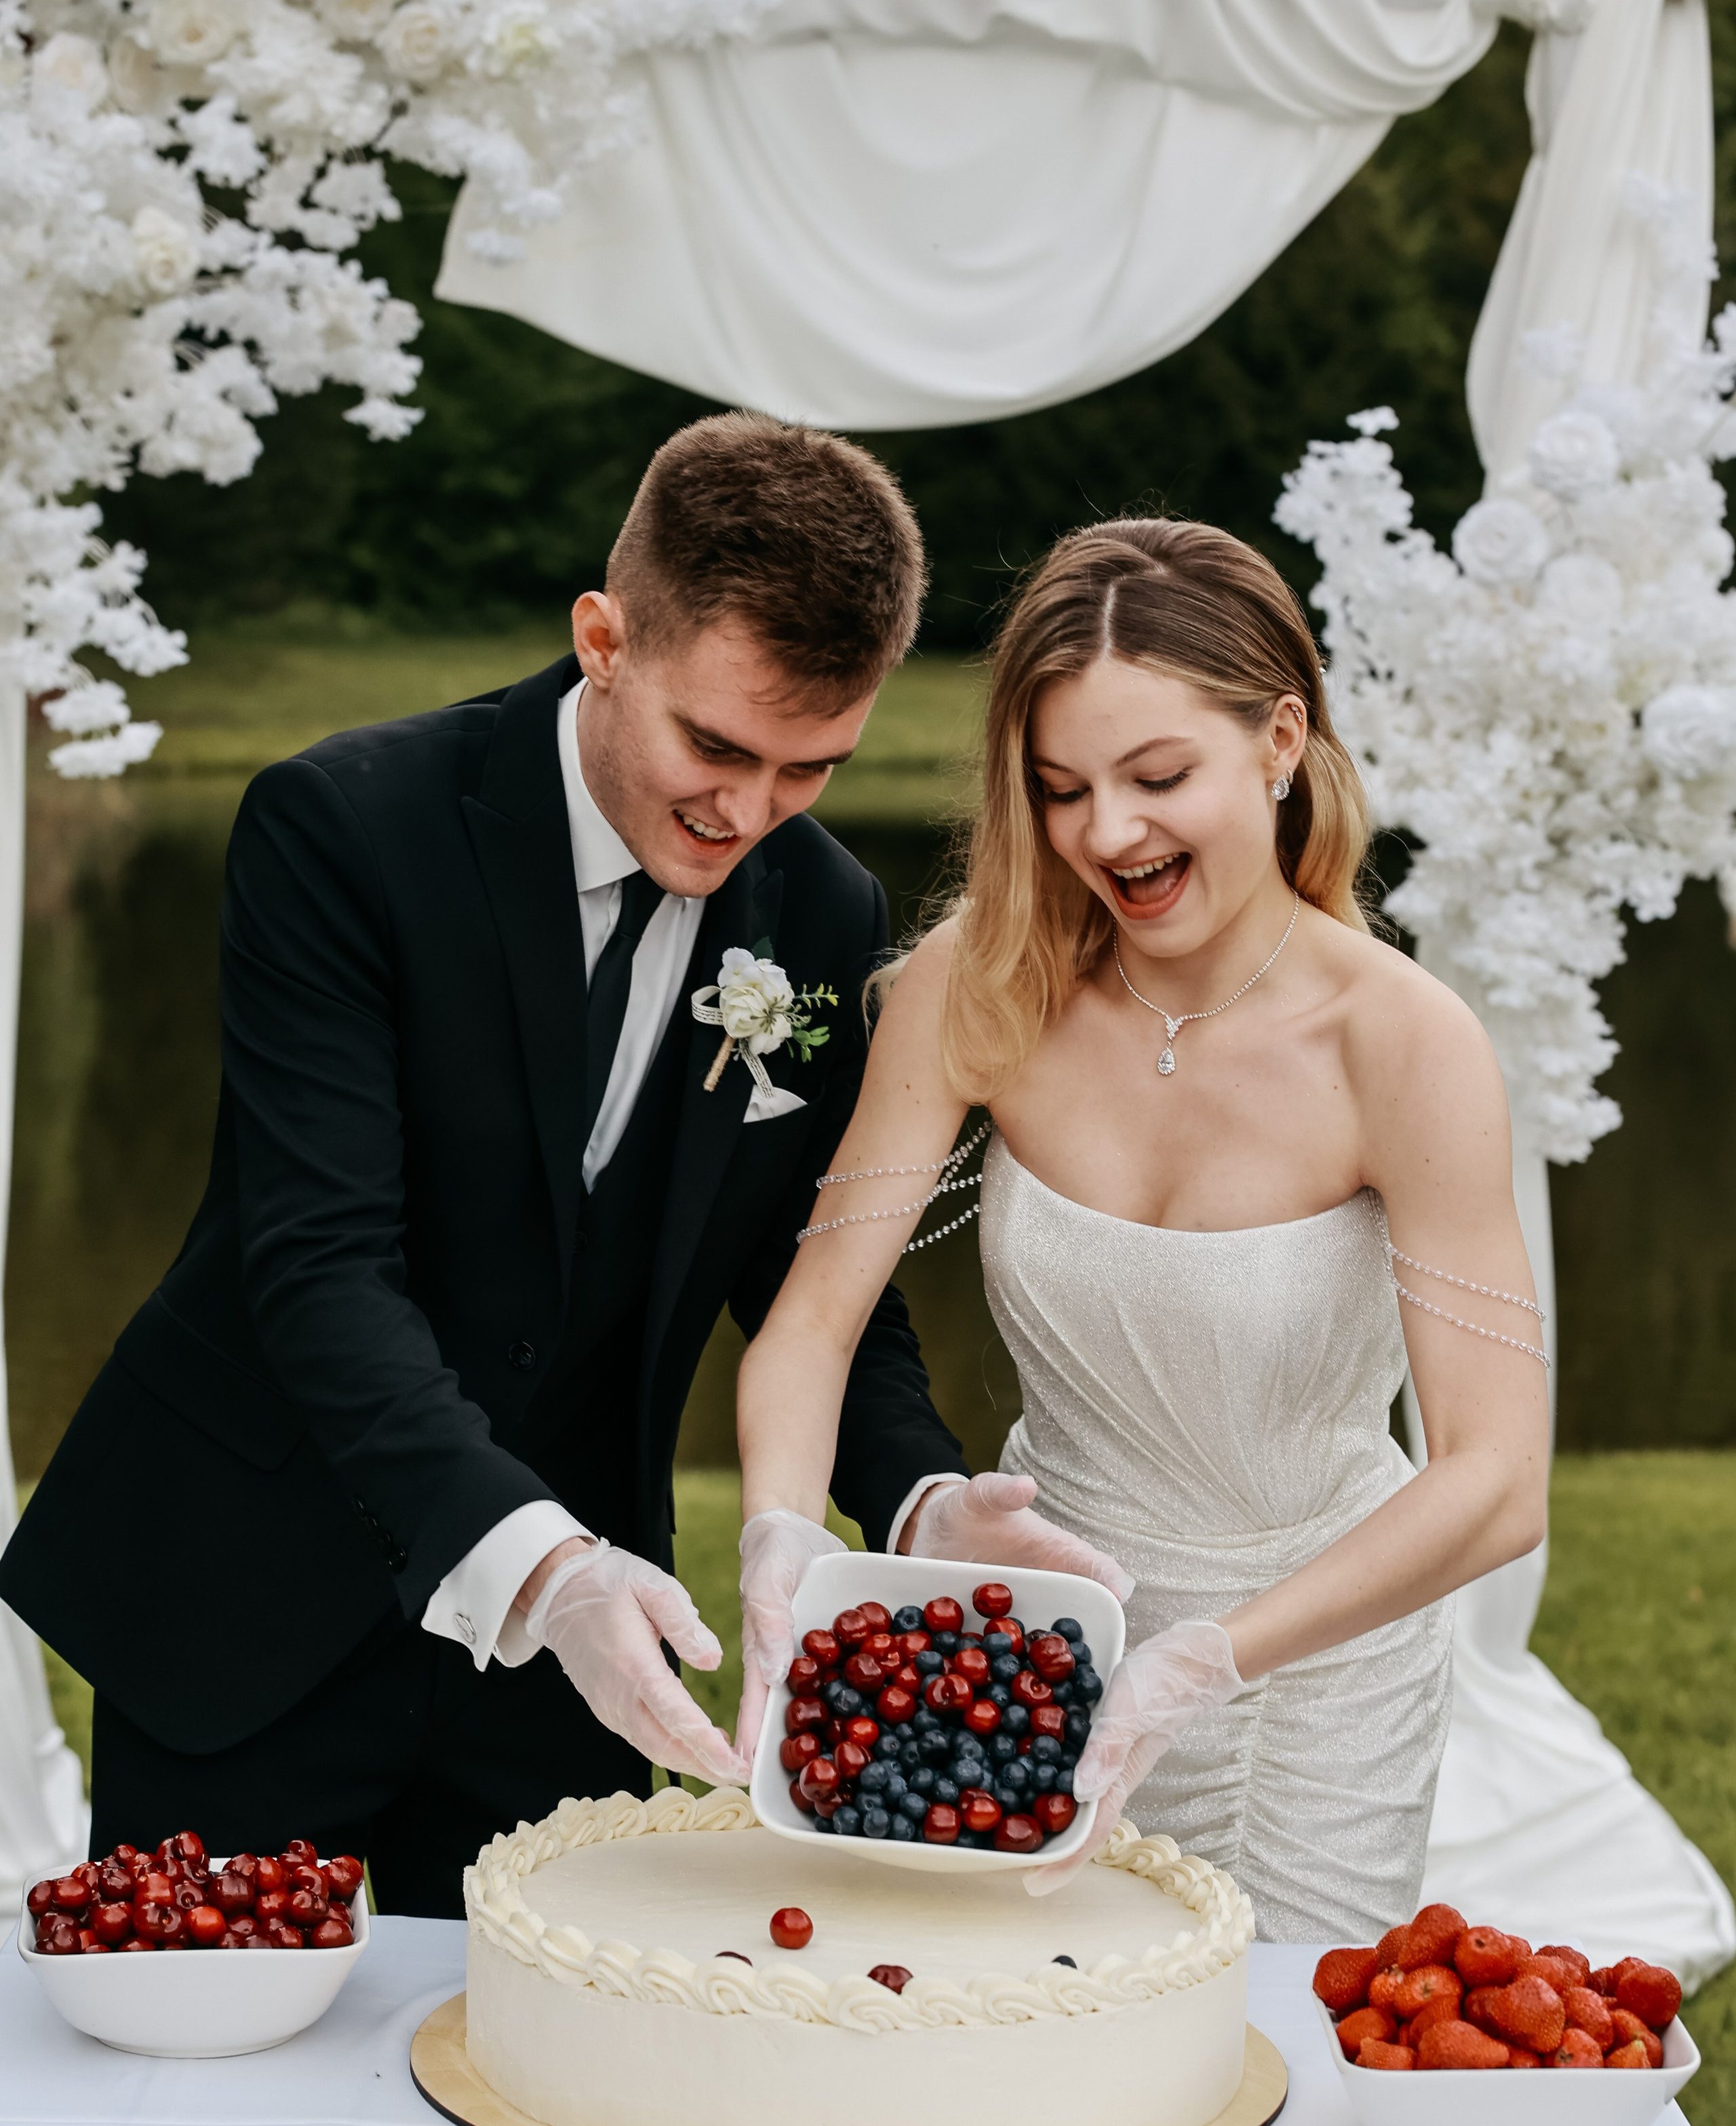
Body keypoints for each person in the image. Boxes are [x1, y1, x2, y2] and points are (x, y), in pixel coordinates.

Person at [0, 416, 1120, 1914]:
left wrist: (918, 1501)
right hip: (254, 1597)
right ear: (603, 639)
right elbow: (318, 1269)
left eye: (810, 767)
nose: (746, 815)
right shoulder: (343, 830)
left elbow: (810, 1281)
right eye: (715, 746)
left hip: (565, 1683)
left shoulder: (824, 913)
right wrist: (545, 1572)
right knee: (204, 2068)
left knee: (534, 2093)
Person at [737, 517, 1552, 1942]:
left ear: (1279, 741)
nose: (1107, 834)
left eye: (1157, 776)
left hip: (1320, 1678)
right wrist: (773, 1537)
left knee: (1271, 2085)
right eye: (1060, 790)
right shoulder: (972, 984)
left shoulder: (1403, 1044)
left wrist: (1209, 1663)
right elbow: (811, 1324)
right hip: (1039, 1659)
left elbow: (1494, 1480)